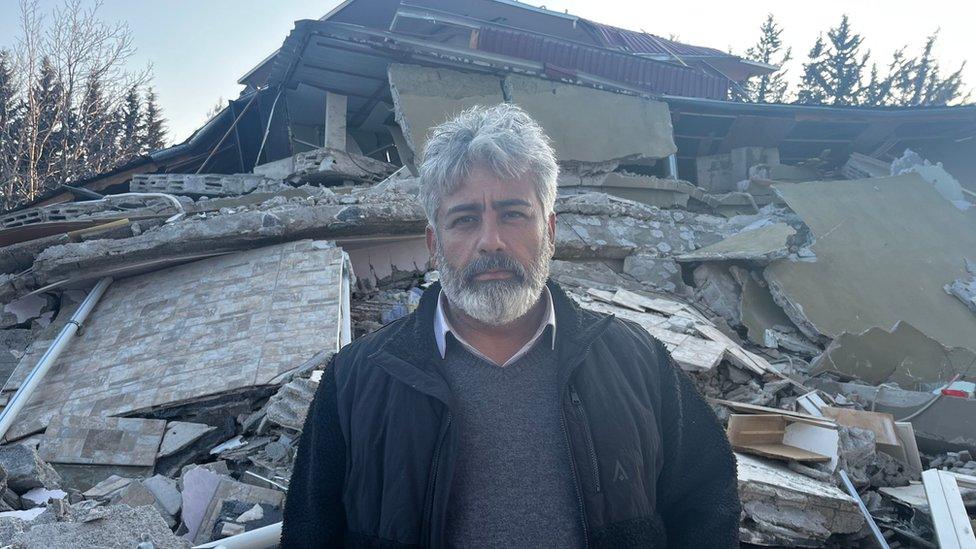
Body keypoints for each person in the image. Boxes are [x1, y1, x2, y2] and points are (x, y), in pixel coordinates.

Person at [281, 103, 740, 548]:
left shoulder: (637, 361)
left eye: (513, 214)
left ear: (551, 231)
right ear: (433, 243)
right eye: (464, 219)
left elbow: (706, 504)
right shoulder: (356, 380)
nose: (491, 241)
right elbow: (311, 529)